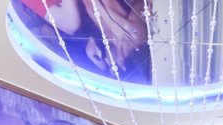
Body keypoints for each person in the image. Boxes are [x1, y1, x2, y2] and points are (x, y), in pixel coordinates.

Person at [18, 0, 151, 81]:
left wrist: (110, 21)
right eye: (101, 57)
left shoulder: (94, 31)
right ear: (121, 65)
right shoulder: (134, 36)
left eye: (95, 57)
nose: (98, 51)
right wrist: (111, 21)